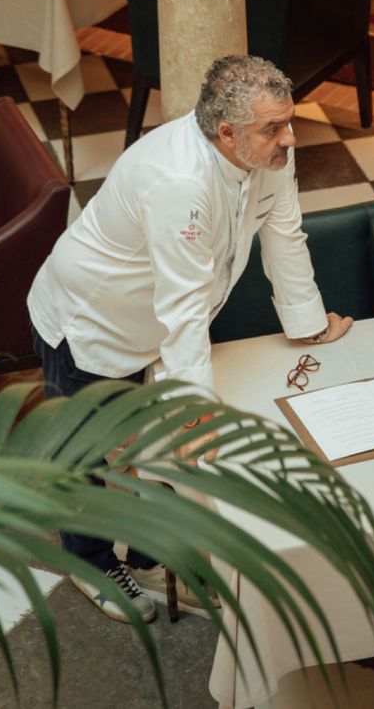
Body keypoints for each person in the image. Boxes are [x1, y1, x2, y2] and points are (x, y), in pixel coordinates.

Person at [27, 55, 353, 623]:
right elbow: (182, 309)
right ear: (227, 134)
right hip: (89, 325)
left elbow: (284, 231)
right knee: (90, 456)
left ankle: (152, 555)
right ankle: (93, 564)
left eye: (288, 120)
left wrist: (308, 324)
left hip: (156, 326)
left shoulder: (269, 152)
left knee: (150, 451)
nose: (290, 136)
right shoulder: (177, 181)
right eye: (273, 127)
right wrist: (195, 416)